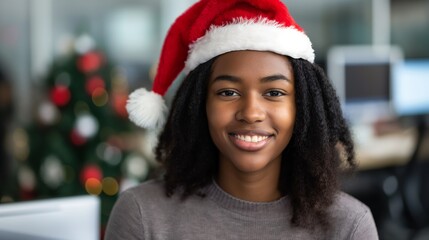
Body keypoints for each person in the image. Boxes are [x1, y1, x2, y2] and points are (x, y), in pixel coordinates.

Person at [105, 0, 378, 239]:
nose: (250, 112)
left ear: (301, 108)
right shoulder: (141, 215)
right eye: (228, 92)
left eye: (274, 92)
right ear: (201, 105)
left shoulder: (349, 226)